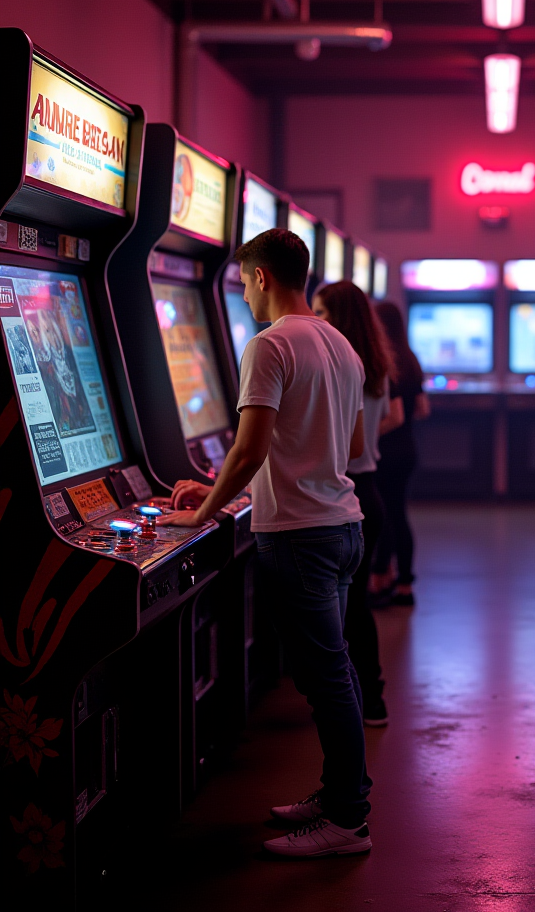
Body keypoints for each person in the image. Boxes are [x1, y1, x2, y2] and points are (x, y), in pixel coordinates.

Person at [159, 229, 374, 859]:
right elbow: (353, 447)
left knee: (327, 677)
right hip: (341, 526)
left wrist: (204, 508)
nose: (247, 299)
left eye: (245, 284)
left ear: (259, 277)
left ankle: (348, 822)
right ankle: (340, 794)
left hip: (300, 535)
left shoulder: (271, 344)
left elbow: (250, 448)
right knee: (333, 671)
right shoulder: (343, 346)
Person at [313, 281, 404, 727]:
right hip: (370, 489)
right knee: (355, 604)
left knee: (337, 610)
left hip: (339, 491)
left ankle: (346, 699)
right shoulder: (376, 364)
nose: (316, 321)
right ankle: (371, 696)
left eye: (322, 312)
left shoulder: (335, 364)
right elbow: (387, 418)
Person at [371, 301, 430, 606]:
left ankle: (383, 579)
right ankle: (404, 582)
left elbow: (394, 416)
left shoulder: (386, 361)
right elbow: (422, 409)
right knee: (399, 515)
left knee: (384, 517)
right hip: (408, 450)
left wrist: (364, 432)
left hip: (386, 451)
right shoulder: (411, 359)